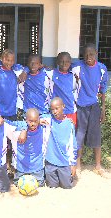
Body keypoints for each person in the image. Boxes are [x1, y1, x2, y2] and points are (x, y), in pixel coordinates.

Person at [72, 43, 109, 178]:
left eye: (91, 54)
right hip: (81, 106)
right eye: (86, 54)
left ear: (96, 54)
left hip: (94, 106)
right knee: (79, 135)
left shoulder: (102, 69)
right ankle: (78, 164)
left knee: (96, 135)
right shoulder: (77, 66)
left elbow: (103, 90)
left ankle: (98, 165)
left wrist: (103, 108)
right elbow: (62, 65)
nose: (88, 57)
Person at [44, 97, 78, 189]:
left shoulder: (69, 124)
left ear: (63, 106)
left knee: (67, 186)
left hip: (64, 162)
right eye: (52, 109)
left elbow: (73, 145)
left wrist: (73, 164)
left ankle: (66, 175)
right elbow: (34, 119)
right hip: (51, 162)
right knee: (52, 186)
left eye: (57, 108)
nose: (54, 111)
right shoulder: (49, 120)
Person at [12, 108, 50, 187]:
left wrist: (67, 120)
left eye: (35, 121)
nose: (33, 124)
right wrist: (24, 128)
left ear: (39, 120)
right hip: (22, 166)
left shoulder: (43, 127)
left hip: (37, 165)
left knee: (40, 184)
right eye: (30, 121)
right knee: (17, 183)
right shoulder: (19, 128)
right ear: (26, 120)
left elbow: (54, 116)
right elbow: (6, 122)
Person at [0, 49, 25, 120]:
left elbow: (28, 68)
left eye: (12, 60)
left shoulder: (17, 71)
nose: (9, 63)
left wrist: (26, 71)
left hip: (12, 110)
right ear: (2, 59)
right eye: (7, 60)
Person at [47, 52, 78, 126]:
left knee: (70, 133)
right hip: (57, 111)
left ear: (70, 62)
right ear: (57, 62)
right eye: (62, 61)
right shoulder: (52, 73)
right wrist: (26, 71)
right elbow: (38, 67)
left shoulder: (73, 76)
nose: (64, 64)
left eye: (67, 61)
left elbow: (75, 92)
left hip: (70, 110)